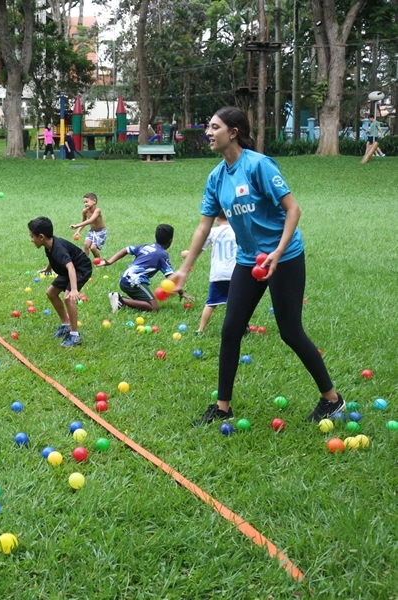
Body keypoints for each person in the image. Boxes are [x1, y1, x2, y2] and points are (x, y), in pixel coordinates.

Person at [171, 106, 345, 426]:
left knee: (290, 332)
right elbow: (202, 228)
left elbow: (293, 210)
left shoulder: (259, 166)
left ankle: (332, 399)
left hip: (285, 257)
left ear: (233, 132)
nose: (208, 133)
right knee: (230, 330)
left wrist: (278, 252)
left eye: (214, 127)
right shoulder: (217, 177)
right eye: (208, 127)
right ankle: (222, 407)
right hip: (249, 259)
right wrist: (185, 268)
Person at [28, 216, 92, 347]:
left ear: (41, 237)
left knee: (68, 298)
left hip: (80, 269)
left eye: (32, 236)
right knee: (51, 293)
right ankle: (66, 324)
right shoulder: (48, 245)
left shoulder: (58, 249)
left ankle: (75, 336)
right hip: (66, 270)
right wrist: (47, 269)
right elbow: (53, 258)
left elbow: (71, 267)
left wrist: (74, 289)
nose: (31, 240)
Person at [103, 224, 187, 313]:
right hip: (134, 282)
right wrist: (181, 292)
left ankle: (120, 302)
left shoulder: (146, 246)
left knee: (145, 302)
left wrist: (110, 261)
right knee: (154, 308)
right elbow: (171, 277)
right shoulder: (162, 255)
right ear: (170, 241)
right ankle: (120, 299)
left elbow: (126, 249)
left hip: (124, 280)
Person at [181, 212, 236, 334]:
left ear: (216, 218)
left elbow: (196, 250)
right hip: (235, 273)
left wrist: (185, 254)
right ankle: (242, 327)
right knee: (239, 302)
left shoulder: (212, 232)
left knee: (211, 303)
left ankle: (200, 329)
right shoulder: (236, 229)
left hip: (218, 274)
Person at [70, 192, 107, 262]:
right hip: (92, 231)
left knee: (93, 248)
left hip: (101, 232)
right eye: (84, 202)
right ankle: (84, 262)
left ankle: (99, 262)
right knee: (86, 245)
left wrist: (76, 225)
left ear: (94, 201)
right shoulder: (85, 211)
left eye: (87, 202)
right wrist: (78, 231)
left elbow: (90, 220)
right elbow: (83, 222)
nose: (85, 204)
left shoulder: (97, 210)